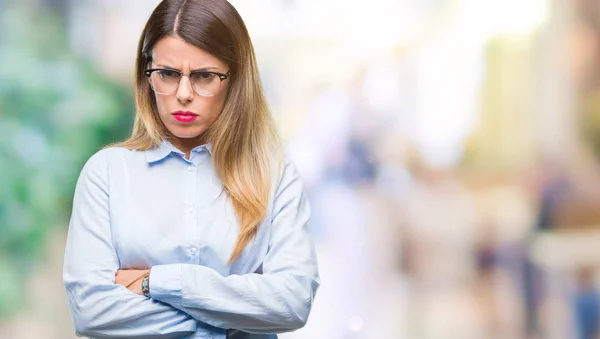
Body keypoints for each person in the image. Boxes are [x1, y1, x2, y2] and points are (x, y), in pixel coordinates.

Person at [62, 1, 320, 338]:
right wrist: (235, 318)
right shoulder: (106, 174)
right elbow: (91, 312)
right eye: (168, 74)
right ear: (147, 75)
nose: (184, 94)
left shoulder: (276, 177)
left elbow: (292, 303)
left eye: (204, 76)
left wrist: (154, 282)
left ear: (234, 79)